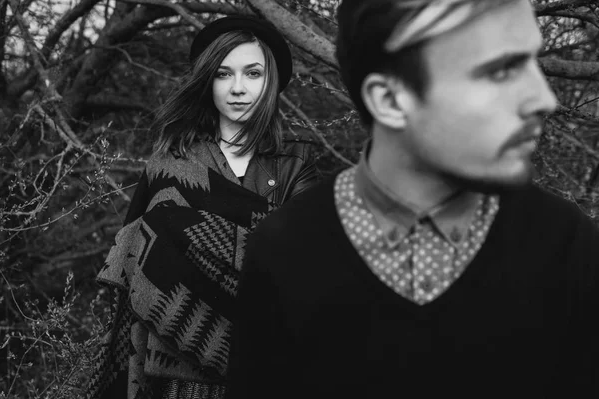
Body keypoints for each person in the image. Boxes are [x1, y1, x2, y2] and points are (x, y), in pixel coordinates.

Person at [225, 0, 599, 397]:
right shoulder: (286, 248)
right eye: (501, 70)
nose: (544, 99)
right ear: (389, 100)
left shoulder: (564, 243)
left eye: (533, 62)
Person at [86, 15, 318, 399]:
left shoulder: (296, 162)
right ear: (207, 81)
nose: (238, 88)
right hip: (174, 367)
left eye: (253, 73)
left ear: (271, 81)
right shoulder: (169, 164)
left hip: (268, 362)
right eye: (223, 74)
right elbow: (136, 263)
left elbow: (304, 264)